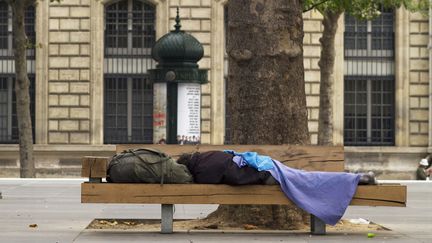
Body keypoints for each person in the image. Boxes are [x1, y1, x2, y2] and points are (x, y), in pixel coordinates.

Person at [177, 150, 377, 226]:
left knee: (309, 182)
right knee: (308, 179)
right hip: (267, 168)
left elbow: (225, 177)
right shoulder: (208, 156)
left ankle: (354, 179)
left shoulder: (202, 169)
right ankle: (355, 178)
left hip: (267, 175)